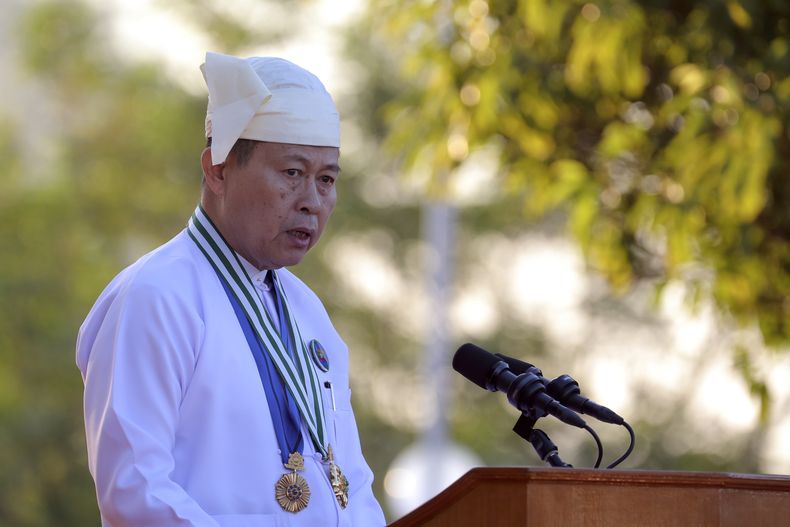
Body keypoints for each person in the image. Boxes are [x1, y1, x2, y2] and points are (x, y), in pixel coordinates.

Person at [76, 51, 386, 526]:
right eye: (292, 173)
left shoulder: (307, 311)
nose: (312, 201)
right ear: (218, 169)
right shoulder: (157, 295)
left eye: (326, 179)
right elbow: (135, 492)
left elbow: (354, 485)